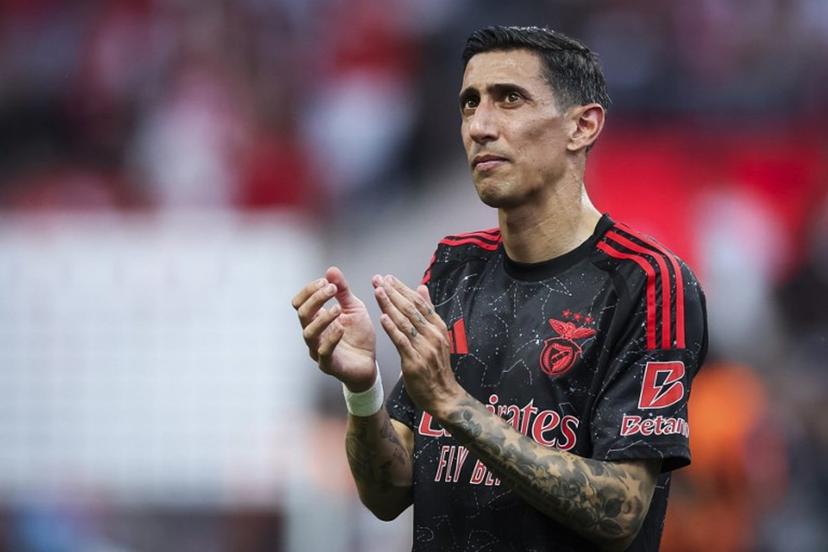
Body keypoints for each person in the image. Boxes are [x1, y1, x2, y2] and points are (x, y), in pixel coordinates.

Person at [291, 26, 708, 552]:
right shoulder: (455, 264)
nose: (480, 126)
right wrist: (362, 389)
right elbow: (387, 494)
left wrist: (452, 404)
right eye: (469, 104)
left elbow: (619, 510)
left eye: (509, 99)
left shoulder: (644, 280)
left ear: (582, 126)